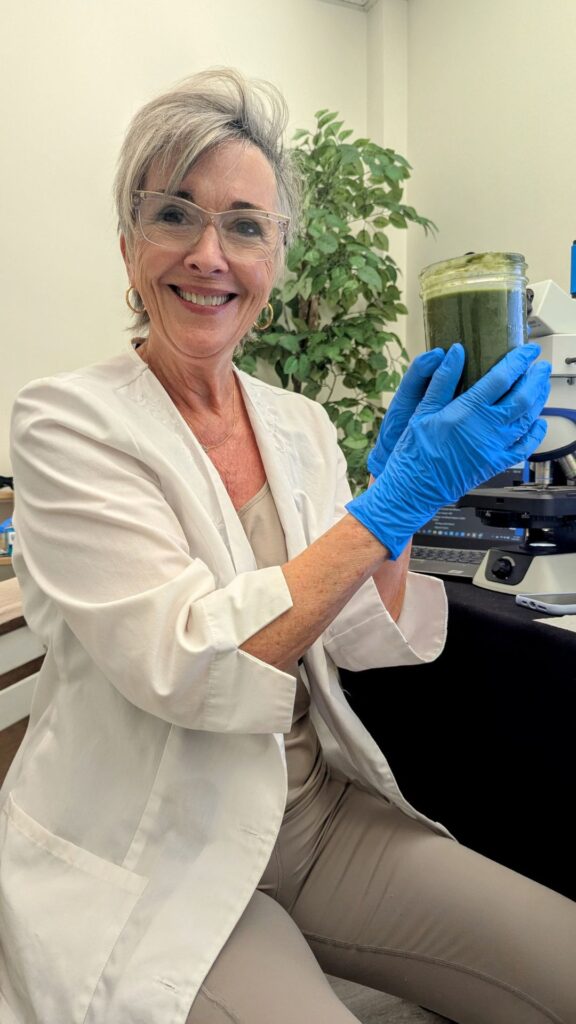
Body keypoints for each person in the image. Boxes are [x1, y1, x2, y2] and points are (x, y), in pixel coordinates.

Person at [0, 68, 573, 1024]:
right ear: (129, 243)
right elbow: (190, 661)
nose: (210, 255)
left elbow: (354, 630)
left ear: (279, 254)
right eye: (176, 214)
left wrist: (400, 507)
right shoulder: (65, 422)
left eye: (248, 225)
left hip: (314, 817)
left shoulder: (299, 423)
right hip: (159, 844)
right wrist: (394, 501)